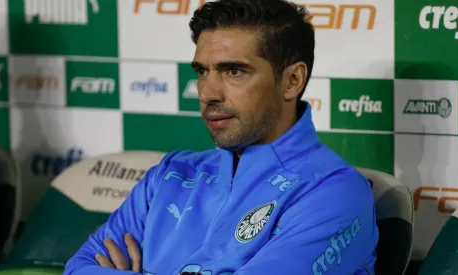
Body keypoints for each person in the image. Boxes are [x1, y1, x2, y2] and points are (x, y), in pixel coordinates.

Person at [63, 0, 379, 274]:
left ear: (292, 80)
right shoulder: (169, 175)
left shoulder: (332, 193)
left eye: (234, 71)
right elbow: (78, 268)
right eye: (202, 71)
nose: (208, 92)